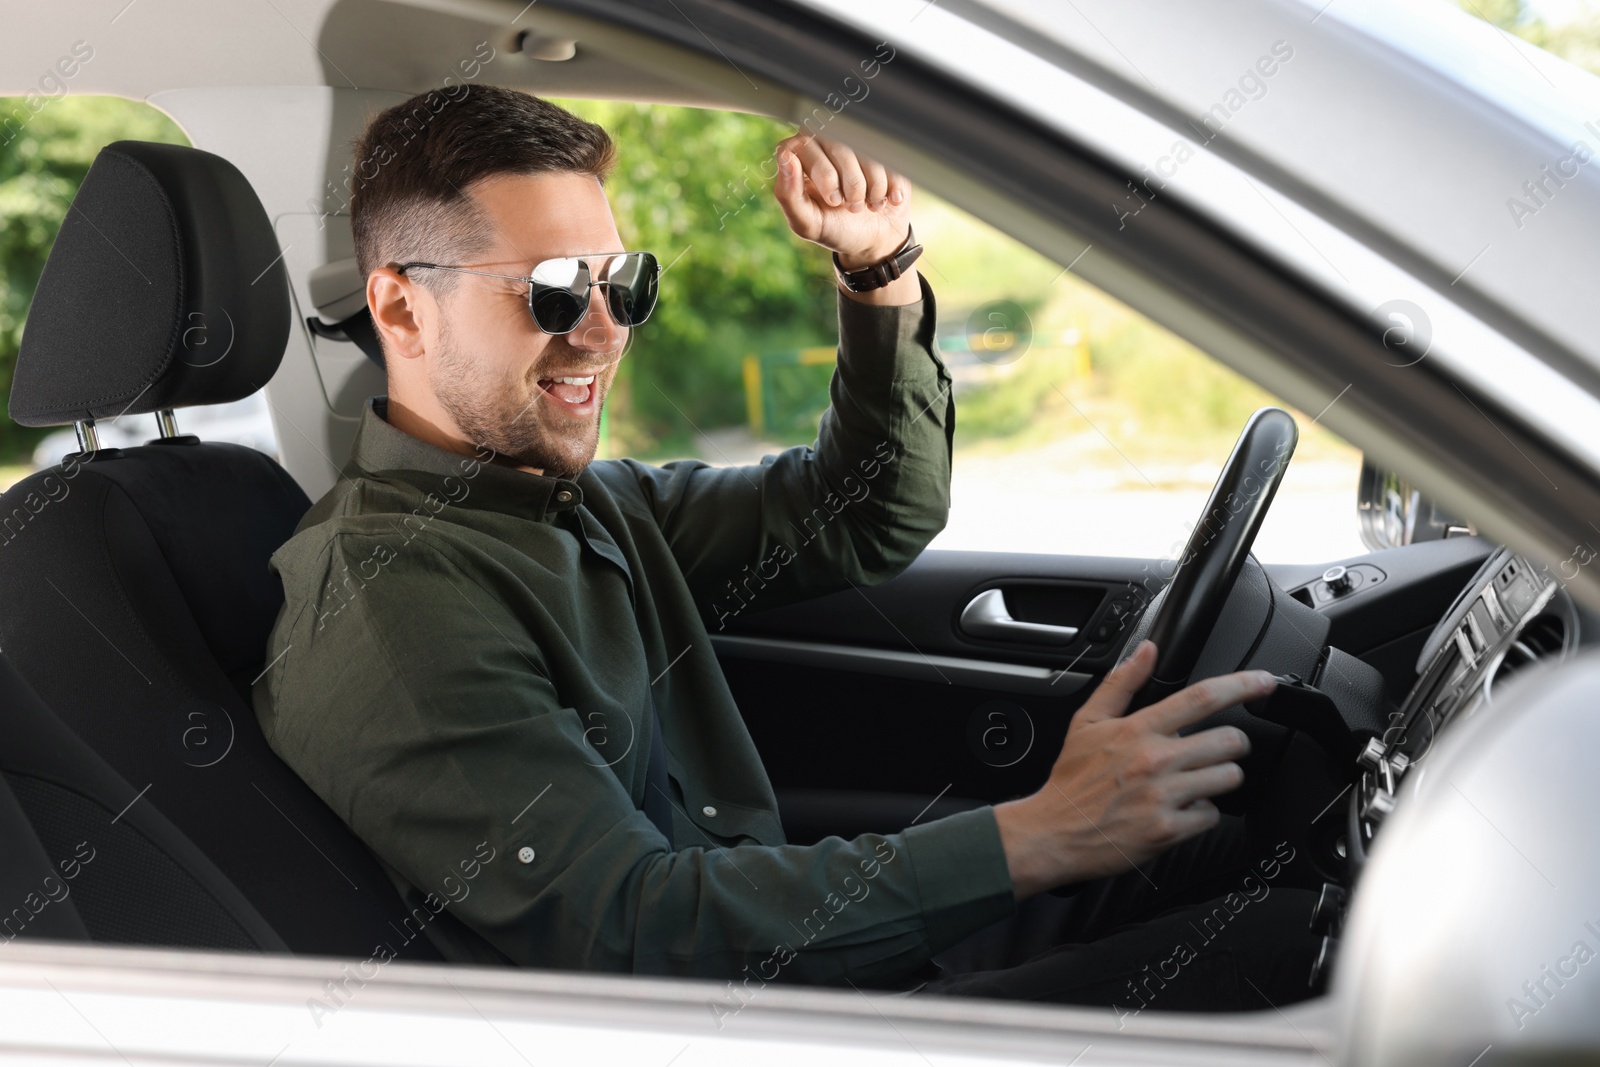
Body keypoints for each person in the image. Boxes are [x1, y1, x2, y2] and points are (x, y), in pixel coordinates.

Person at [254, 85, 1319, 1011]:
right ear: (401, 304)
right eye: (550, 291)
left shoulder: (580, 504)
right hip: (740, 1023)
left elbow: (868, 509)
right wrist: (1038, 834)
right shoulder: (386, 601)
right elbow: (630, 932)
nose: (603, 330)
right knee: (1292, 952)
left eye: (623, 283)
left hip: (801, 965)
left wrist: (877, 269)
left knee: (1245, 854)